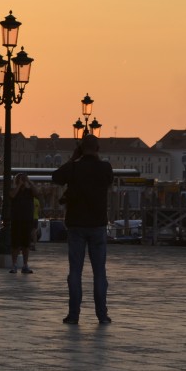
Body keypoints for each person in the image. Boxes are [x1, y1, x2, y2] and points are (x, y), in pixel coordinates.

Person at [52, 133, 114, 325]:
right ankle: (102, 315)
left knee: (75, 272)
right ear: (97, 148)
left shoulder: (74, 168)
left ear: (80, 149)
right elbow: (108, 181)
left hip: (76, 225)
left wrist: (73, 158)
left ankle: (74, 315)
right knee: (100, 273)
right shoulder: (105, 168)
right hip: (98, 224)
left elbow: (56, 177)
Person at [8, 173, 36, 273]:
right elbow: (12, 195)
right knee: (15, 244)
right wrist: (19, 185)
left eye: (24, 179)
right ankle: (14, 264)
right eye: (20, 179)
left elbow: (37, 193)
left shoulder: (29, 191)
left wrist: (30, 183)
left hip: (27, 219)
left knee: (26, 244)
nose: (23, 181)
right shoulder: (14, 189)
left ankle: (25, 265)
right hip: (16, 219)